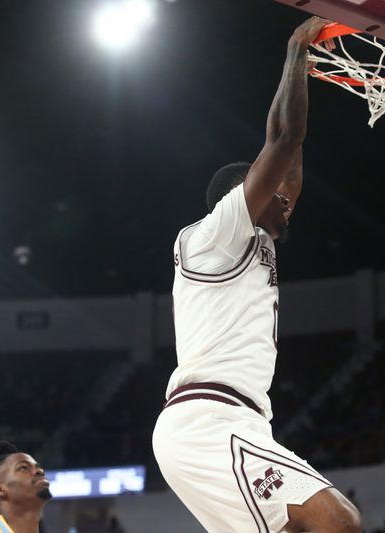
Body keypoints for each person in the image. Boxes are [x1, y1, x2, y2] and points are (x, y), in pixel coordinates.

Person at [152, 16, 362, 533]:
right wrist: (294, 50)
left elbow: (289, 164)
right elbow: (284, 139)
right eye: (276, 196)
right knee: (338, 522)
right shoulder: (212, 234)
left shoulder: (259, 238)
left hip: (241, 421)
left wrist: (308, 76)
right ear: (242, 195)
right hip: (206, 421)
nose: (288, 201)